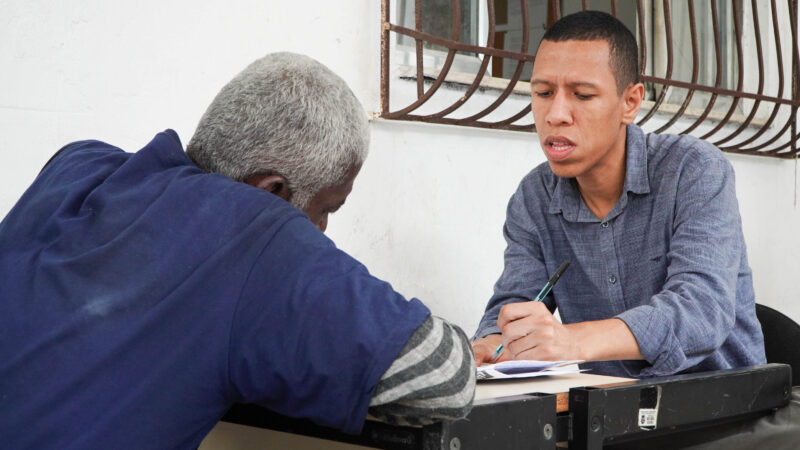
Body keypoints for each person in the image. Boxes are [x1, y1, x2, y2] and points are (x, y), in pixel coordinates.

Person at [0, 52, 474, 449]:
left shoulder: (76, 166)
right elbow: (445, 378)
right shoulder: (255, 231)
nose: (323, 233)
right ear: (271, 191)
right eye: (327, 207)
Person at [471, 11, 766, 379]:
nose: (555, 114)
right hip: (608, 411)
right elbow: (515, 302)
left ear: (630, 102)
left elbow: (701, 311)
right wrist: (494, 340)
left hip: (724, 411)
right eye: (543, 93)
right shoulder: (534, 197)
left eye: (582, 95)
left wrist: (572, 341)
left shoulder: (693, 170)